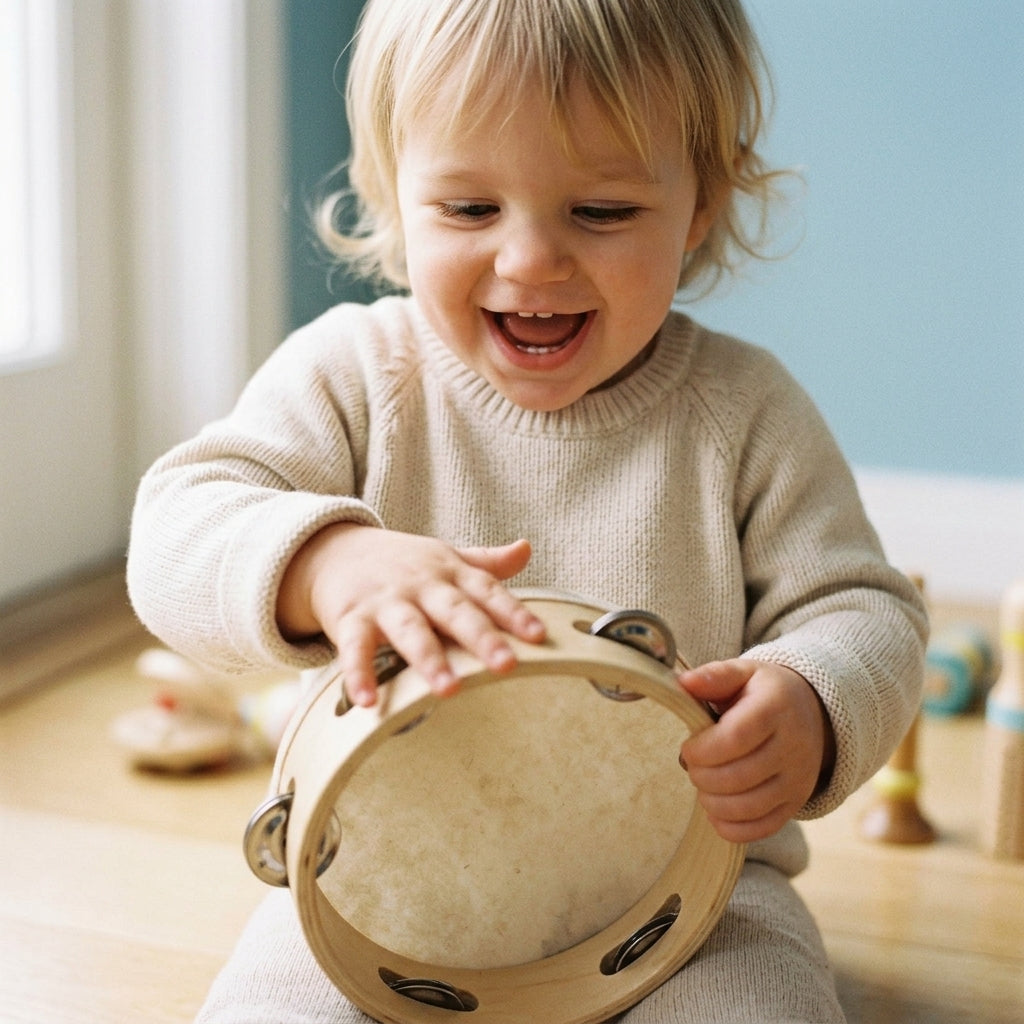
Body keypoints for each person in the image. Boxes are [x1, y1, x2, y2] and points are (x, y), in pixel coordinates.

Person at [126, 0, 927, 1021]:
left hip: (690, 900)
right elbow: (175, 528)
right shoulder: (354, 373)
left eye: (599, 211)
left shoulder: (744, 410)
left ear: (700, 207)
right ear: (391, 191)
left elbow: (866, 608)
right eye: (467, 209)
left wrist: (813, 699)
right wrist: (324, 562)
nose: (530, 262)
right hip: (373, 888)